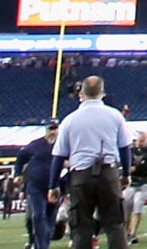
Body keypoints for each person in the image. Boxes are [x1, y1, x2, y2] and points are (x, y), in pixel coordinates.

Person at [52, 76, 133, 249]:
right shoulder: (115, 115)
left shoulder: (70, 120)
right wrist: (126, 174)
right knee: (115, 225)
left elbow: (58, 156)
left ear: (81, 93)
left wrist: (53, 185)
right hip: (108, 173)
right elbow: (125, 148)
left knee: (81, 228)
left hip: (81, 175)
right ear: (102, 92)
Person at [14, 130, 61, 249]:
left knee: (50, 217)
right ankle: (41, 246)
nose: (53, 132)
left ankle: (44, 243)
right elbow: (20, 157)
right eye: (51, 129)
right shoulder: (36, 144)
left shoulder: (63, 144)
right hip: (36, 186)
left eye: (55, 128)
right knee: (39, 215)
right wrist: (17, 174)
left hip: (55, 186)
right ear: (46, 130)